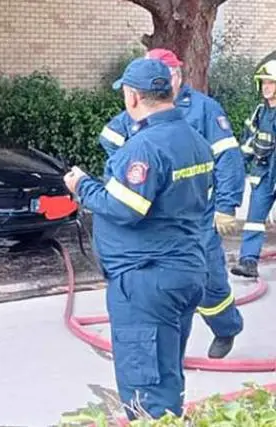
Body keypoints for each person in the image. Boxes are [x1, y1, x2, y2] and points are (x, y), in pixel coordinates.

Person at [64, 58, 214, 420]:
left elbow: (125, 207)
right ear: (169, 91)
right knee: (166, 372)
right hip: (185, 270)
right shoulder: (194, 140)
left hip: (147, 279)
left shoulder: (143, 148)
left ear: (132, 97)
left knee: (146, 389)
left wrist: (81, 185)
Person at [97, 48, 245, 359]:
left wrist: (226, 205)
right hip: (160, 215)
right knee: (170, 281)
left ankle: (225, 327)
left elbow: (228, 158)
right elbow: (110, 138)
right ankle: (165, 348)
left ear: (175, 76)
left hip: (196, 213)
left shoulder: (204, 109)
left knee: (209, 279)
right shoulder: (139, 111)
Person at [230, 59, 276, 278]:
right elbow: (247, 142)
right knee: (254, 220)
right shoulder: (259, 112)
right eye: (264, 83)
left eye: (271, 82)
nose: (266, 87)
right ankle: (248, 262)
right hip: (263, 175)